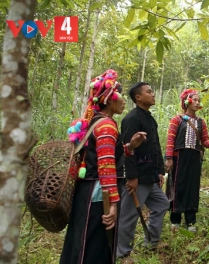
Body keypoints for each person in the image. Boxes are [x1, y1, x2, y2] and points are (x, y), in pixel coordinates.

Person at [61, 69, 146, 264]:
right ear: (109, 99)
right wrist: (113, 205)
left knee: (81, 239)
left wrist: (129, 147)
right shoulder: (107, 125)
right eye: (121, 96)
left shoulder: (94, 122)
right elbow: (106, 166)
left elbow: (101, 155)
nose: (124, 101)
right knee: (95, 244)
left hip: (87, 191)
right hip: (99, 195)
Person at [116, 82, 170, 260]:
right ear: (138, 97)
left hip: (150, 176)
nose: (153, 94)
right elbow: (127, 149)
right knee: (129, 216)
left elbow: (155, 145)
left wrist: (159, 171)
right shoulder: (131, 119)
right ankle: (122, 253)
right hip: (137, 177)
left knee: (162, 204)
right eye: (149, 92)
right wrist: (131, 177)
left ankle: (151, 242)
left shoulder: (149, 118)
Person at [164, 89, 209, 232]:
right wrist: (169, 158)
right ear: (187, 101)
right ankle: (175, 219)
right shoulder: (177, 120)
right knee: (177, 187)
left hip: (194, 158)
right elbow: (170, 140)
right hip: (179, 158)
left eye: (199, 100)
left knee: (192, 187)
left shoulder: (201, 122)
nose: (197, 102)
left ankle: (190, 220)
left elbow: (205, 140)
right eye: (194, 99)